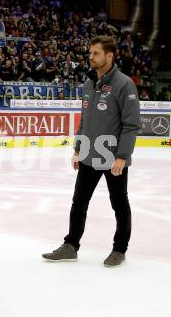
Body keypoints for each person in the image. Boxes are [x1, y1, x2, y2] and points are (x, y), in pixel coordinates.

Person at [42, 35, 141, 267]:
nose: (91, 56)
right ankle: (70, 246)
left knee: (119, 203)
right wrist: (78, 149)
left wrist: (122, 156)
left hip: (112, 156)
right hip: (88, 154)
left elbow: (131, 124)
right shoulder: (89, 83)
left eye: (96, 53)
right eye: (90, 53)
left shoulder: (124, 84)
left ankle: (119, 249)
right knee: (79, 201)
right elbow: (85, 120)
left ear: (109, 55)